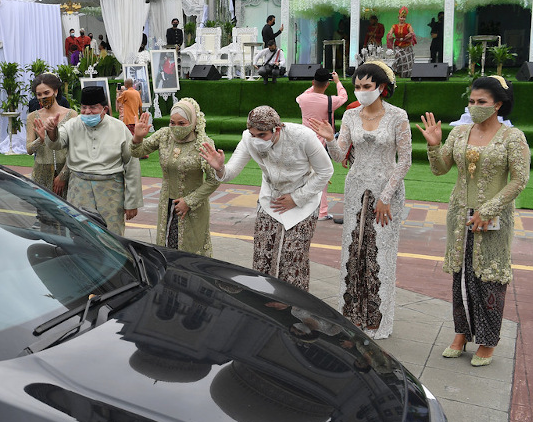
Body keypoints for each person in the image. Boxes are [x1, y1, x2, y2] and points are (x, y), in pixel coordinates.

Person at [417, 76, 530, 366]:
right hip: (459, 214)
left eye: (482, 102)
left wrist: (489, 209)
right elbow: (441, 169)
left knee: (489, 278)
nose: (475, 106)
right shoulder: (460, 132)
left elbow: (519, 180)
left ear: (498, 104)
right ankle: (461, 333)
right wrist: (433, 146)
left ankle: (488, 341)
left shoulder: (512, 138)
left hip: (494, 217)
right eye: (471, 101)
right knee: (460, 275)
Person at [307, 61, 411, 340]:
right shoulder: (351, 116)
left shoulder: (398, 116)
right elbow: (341, 156)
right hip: (355, 189)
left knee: (381, 254)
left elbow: (405, 162)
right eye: (357, 87)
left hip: (386, 192)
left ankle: (378, 321)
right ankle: (353, 316)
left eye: (367, 86)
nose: (361, 91)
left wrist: (386, 197)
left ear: (382, 88)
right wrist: (330, 140)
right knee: (354, 250)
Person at [200, 106, 333, 291]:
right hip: (270, 198)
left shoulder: (303, 136)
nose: (256, 140)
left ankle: (294, 306)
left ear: (277, 129)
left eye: (261, 135)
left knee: (293, 256)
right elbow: (230, 172)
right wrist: (219, 168)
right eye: (252, 134)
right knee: (263, 254)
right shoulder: (248, 139)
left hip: (303, 199)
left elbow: (326, 171)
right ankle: (263, 302)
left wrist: (296, 198)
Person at [36, 85, 142, 235]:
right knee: (78, 234)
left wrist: (132, 202)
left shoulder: (119, 128)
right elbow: (56, 143)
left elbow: (132, 165)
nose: (87, 112)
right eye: (84, 107)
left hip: (110, 190)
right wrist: (52, 131)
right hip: (79, 187)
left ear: (104, 109)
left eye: (93, 108)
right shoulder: (73, 124)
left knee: (112, 236)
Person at [130, 99, 221, 256]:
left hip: (193, 208)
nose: (176, 128)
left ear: (193, 122)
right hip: (166, 203)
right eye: (172, 122)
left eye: (182, 123)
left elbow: (214, 180)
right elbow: (137, 152)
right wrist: (137, 138)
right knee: (166, 249)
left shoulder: (204, 143)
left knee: (191, 251)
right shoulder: (164, 135)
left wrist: (189, 201)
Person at [297, 68, 347, 220]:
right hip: (322, 144)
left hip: (304, 141)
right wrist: (337, 82)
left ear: (313, 82)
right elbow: (344, 97)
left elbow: (305, 93)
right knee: (322, 177)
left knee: (303, 175)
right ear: (327, 84)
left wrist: (315, 85)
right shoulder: (330, 101)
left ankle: (303, 207)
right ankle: (322, 211)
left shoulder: (302, 99)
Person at [25, 73, 77, 198]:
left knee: (68, 213)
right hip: (41, 173)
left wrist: (63, 175)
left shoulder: (71, 115)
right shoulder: (32, 117)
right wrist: (40, 140)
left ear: (56, 91)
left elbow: (75, 149)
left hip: (66, 172)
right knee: (43, 214)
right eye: (39, 94)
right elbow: (29, 149)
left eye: (46, 93)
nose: (43, 97)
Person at [386, 6, 417, 78]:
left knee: (406, 62)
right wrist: (390, 36)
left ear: (405, 18)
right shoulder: (394, 26)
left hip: (407, 46)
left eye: (404, 17)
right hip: (398, 46)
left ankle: (406, 75)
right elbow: (389, 33)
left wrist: (410, 35)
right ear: (398, 17)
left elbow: (412, 33)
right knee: (399, 58)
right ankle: (398, 72)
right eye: (401, 17)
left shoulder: (408, 25)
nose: (402, 19)